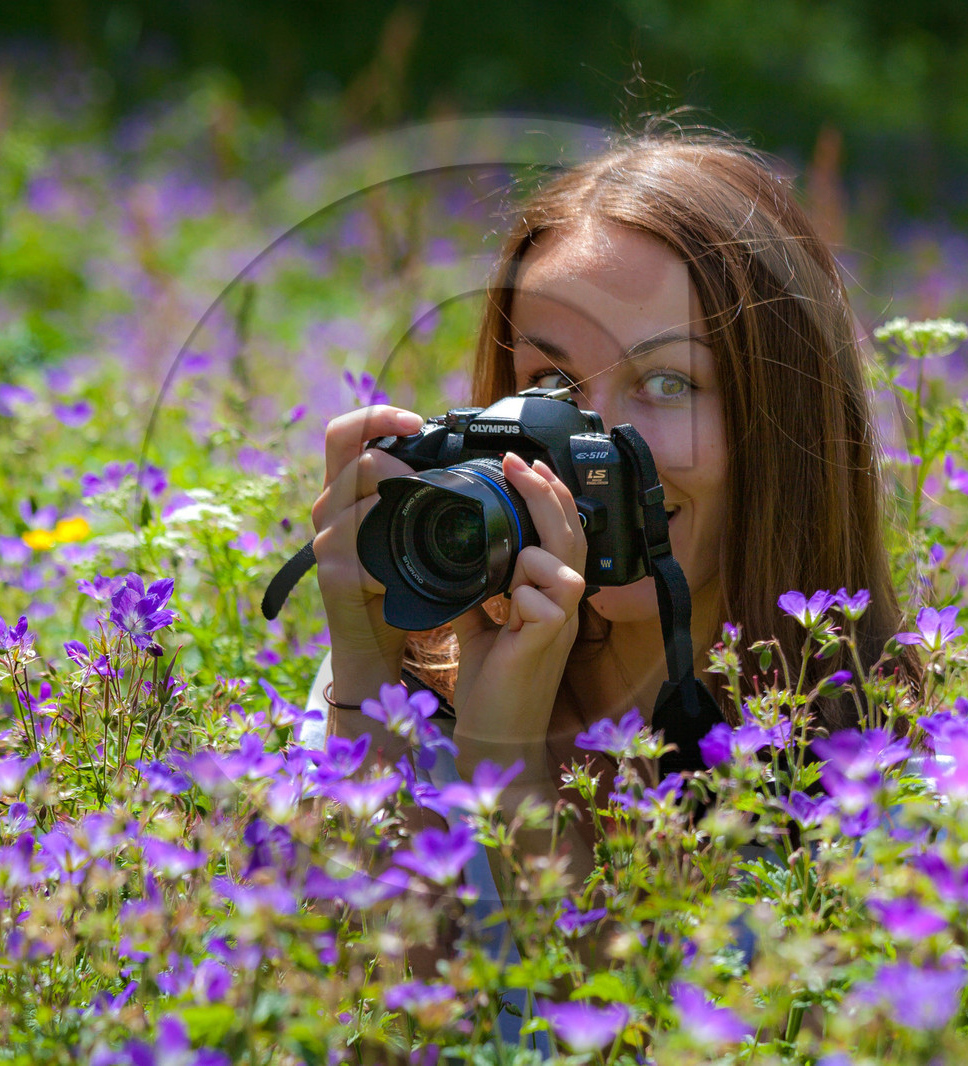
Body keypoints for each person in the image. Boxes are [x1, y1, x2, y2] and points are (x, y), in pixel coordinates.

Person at [296, 120, 934, 1049]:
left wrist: (509, 760)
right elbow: (336, 1023)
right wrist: (365, 672)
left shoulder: (891, 792)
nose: (596, 447)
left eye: (668, 385)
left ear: (787, 427)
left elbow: (632, 1036)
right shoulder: (399, 698)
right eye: (554, 384)